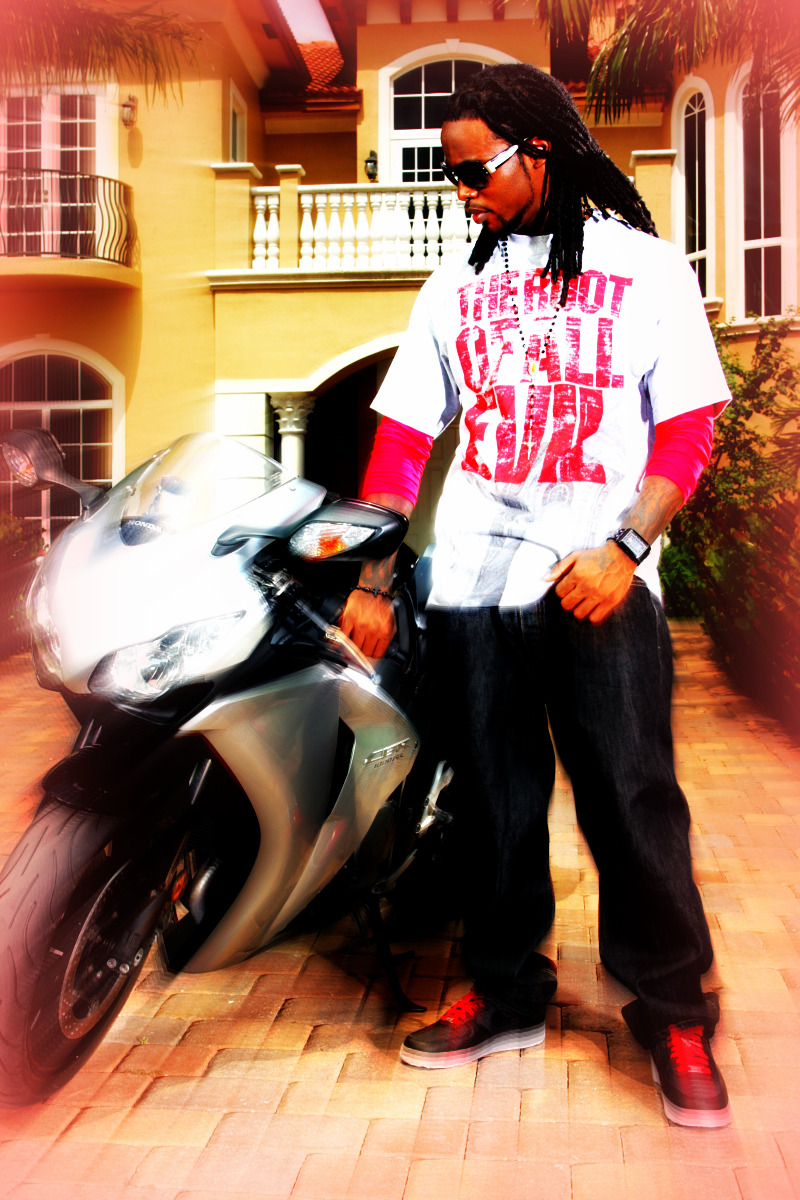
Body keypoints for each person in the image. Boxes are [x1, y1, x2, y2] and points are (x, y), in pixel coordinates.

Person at [339, 63, 731, 1129]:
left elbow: (686, 430)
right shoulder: (450, 286)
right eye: (450, 176)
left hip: (595, 583)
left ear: (539, 153)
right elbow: (402, 442)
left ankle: (672, 1007)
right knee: (490, 804)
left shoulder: (643, 269)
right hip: (473, 587)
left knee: (631, 800)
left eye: (476, 171)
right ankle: (508, 990)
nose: (461, 192)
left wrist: (626, 546)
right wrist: (375, 575)